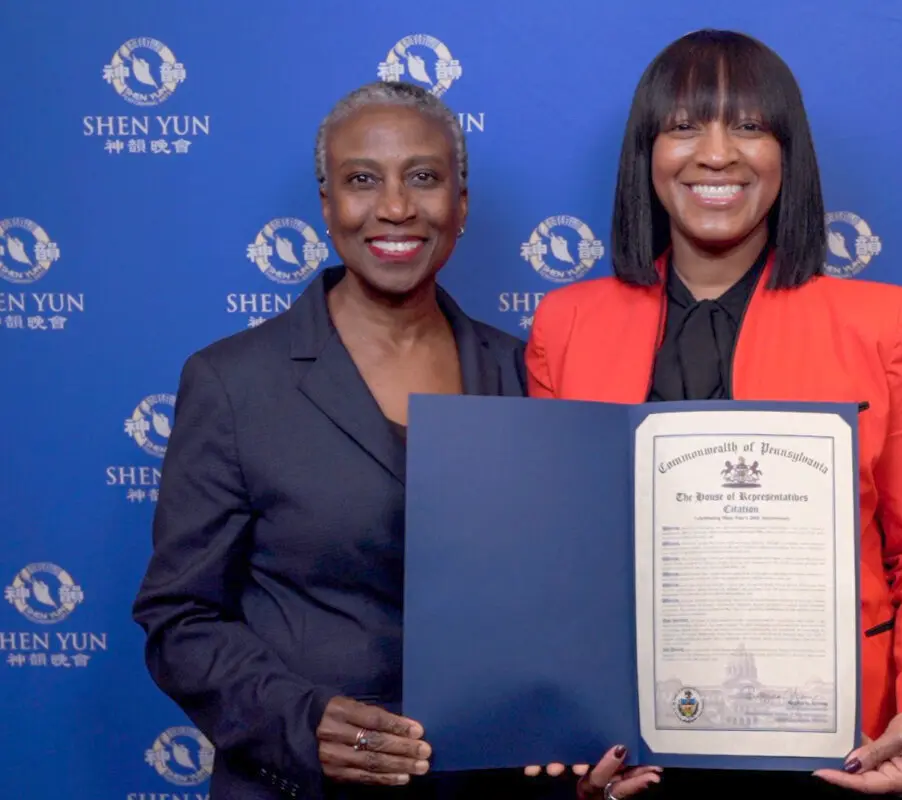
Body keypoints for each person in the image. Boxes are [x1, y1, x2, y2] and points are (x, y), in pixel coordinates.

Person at [525, 30, 902, 799]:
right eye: (683, 126)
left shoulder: (882, 325)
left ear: (788, 154)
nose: (716, 154)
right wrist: (560, 737)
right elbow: (552, 564)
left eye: (747, 126)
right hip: (635, 756)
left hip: (848, 756)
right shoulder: (565, 327)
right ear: (646, 154)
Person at [131, 80, 615, 800]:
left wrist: (579, 749)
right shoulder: (233, 382)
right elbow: (181, 619)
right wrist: (304, 723)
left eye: (424, 178)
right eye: (363, 180)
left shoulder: (524, 370)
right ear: (327, 205)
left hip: (487, 787)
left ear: (462, 205)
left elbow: (565, 599)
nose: (395, 206)